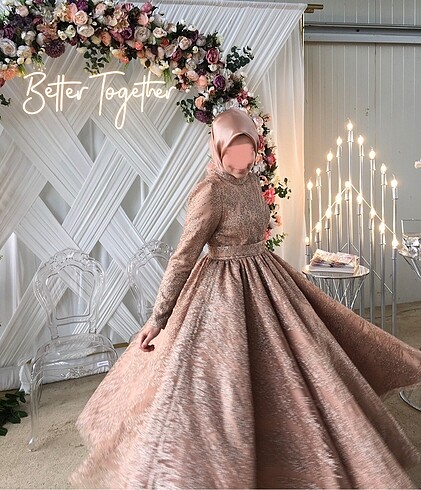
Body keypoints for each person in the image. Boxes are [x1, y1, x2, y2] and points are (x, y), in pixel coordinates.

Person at [71, 108, 421, 489]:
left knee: (309, 356)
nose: (242, 161)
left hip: (266, 278)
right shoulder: (209, 192)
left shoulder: (253, 181)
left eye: (248, 151)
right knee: (220, 386)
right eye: (233, 153)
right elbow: (184, 256)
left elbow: (258, 229)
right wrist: (160, 317)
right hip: (220, 293)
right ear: (218, 149)